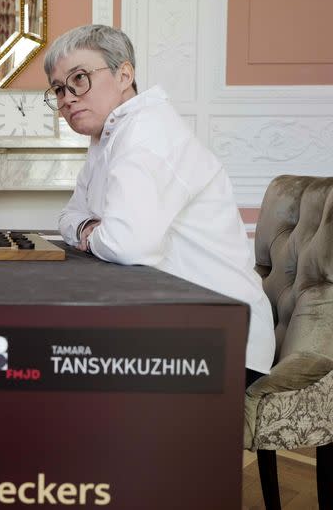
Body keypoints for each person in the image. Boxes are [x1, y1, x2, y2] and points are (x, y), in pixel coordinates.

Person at [44, 24, 274, 383]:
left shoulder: (146, 133)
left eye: (79, 78)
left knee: (59, 364)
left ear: (124, 75)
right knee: (57, 353)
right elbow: (68, 216)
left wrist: (90, 231)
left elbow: (126, 243)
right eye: (59, 88)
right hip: (177, 323)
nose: (67, 97)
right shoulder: (107, 136)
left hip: (222, 340)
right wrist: (90, 227)